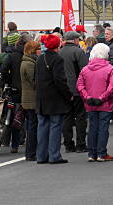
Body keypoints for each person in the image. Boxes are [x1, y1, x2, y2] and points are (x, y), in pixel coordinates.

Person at [77, 43, 113, 162]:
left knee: (92, 127)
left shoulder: (85, 69)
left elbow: (80, 85)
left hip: (90, 103)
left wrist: (87, 97)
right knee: (103, 128)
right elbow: (112, 86)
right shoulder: (110, 68)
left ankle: (91, 153)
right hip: (105, 103)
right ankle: (101, 153)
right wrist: (102, 98)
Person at [36, 34, 73, 164]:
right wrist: (69, 94)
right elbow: (60, 80)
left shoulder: (40, 58)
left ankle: (41, 155)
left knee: (42, 127)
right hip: (55, 98)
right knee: (55, 126)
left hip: (41, 97)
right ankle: (54, 155)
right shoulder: (57, 59)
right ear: (58, 45)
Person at [60, 31, 89, 153]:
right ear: (75, 40)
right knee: (80, 117)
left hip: (63, 90)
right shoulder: (78, 52)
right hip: (77, 89)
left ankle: (68, 144)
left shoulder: (59, 52)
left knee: (67, 117)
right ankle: (81, 144)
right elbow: (85, 71)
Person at [0, 32, 27, 153]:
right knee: (23, 117)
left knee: (11, 116)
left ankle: (8, 142)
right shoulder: (28, 56)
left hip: (13, 89)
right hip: (26, 90)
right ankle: (19, 142)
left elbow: (4, 70)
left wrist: (8, 82)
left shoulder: (12, 56)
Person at [20, 39, 40, 161]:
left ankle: (31, 152)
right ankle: (31, 153)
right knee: (32, 127)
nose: (40, 51)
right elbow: (34, 81)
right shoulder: (29, 64)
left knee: (32, 126)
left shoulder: (27, 62)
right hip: (31, 99)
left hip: (29, 99)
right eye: (38, 49)